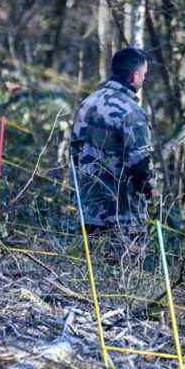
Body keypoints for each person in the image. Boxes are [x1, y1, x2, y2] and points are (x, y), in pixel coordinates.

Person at [70, 47, 155, 261]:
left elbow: (74, 152)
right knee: (123, 281)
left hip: (88, 209)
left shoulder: (87, 104)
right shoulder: (132, 113)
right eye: (144, 75)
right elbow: (141, 166)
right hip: (122, 216)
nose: (143, 79)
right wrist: (151, 193)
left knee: (88, 277)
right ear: (135, 76)